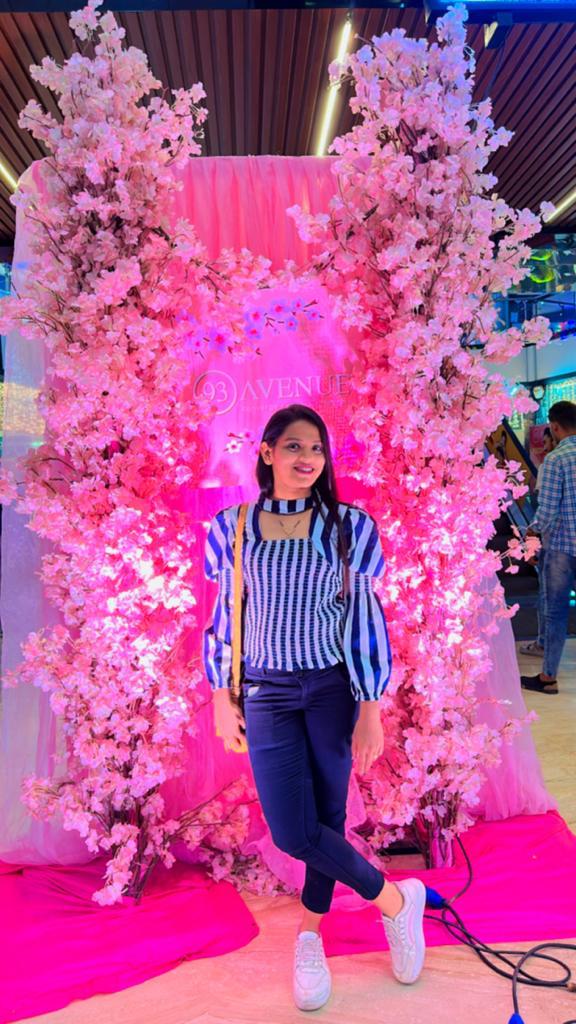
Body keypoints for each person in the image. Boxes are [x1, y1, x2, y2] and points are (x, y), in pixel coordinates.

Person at [203, 404, 426, 1012]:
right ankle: (396, 901)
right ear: (268, 452)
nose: (308, 459)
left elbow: (365, 619)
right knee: (294, 830)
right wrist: (222, 695)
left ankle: (310, 939)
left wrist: (370, 706)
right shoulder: (232, 526)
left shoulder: (350, 527)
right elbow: (226, 616)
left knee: (327, 817)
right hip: (266, 692)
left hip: (331, 690)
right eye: (295, 446)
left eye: (317, 449)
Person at [521, 401, 576, 694]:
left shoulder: (556, 459)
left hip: (562, 549)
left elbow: (548, 511)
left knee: (556, 613)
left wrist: (531, 531)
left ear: (554, 427)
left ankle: (548, 678)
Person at [520, 426, 556, 658]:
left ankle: (543, 644)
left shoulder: (550, 464)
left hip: (555, 542)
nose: (543, 448)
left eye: (546, 442)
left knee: (548, 596)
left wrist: (533, 534)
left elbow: (545, 507)